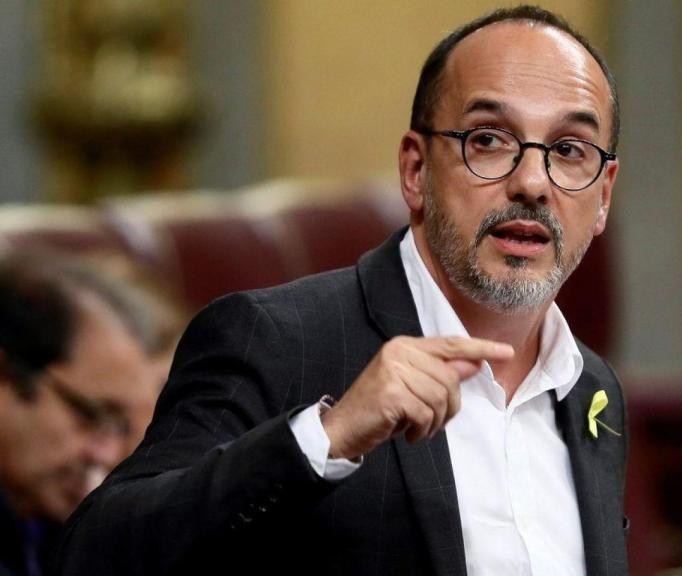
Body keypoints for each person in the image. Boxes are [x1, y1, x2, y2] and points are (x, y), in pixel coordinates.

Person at [58, 5, 627, 575]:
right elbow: (94, 555)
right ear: (415, 170)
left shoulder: (591, 388)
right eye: (488, 140)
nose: (531, 183)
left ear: (602, 197)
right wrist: (325, 440)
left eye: (570, 150)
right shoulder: (276, 340)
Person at [0, 255, 153, 576]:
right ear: (6, 375)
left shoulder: (50, 524)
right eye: (89, 415)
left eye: (119, 426)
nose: (109, 453)